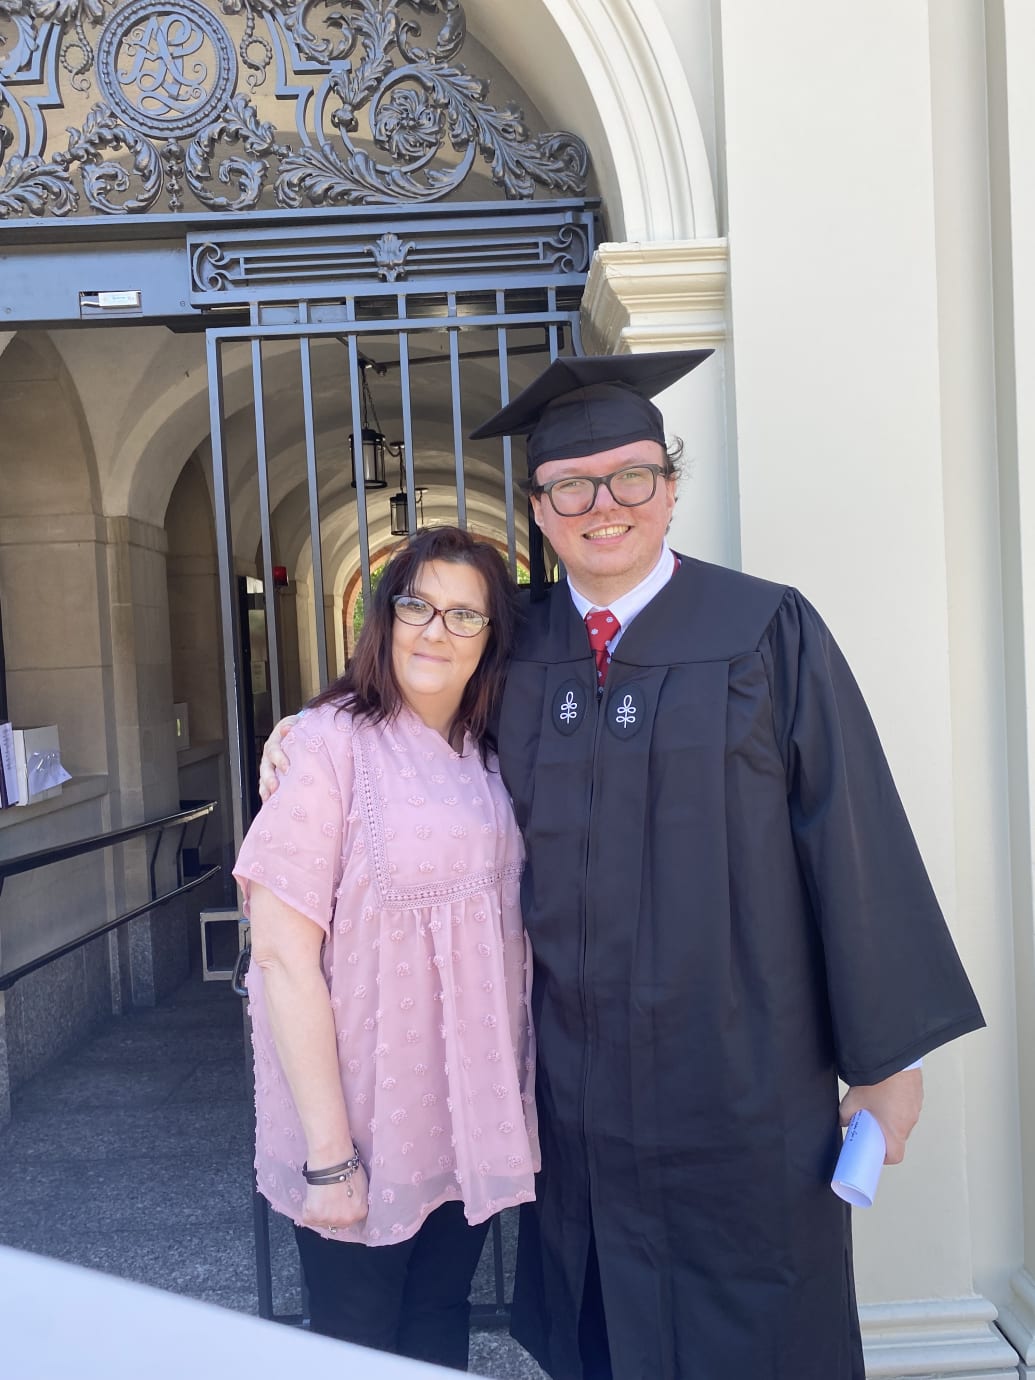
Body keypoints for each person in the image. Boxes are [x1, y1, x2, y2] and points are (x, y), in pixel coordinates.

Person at [260, 351, 985, 1380]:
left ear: (671, 487)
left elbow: (852, 832)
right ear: (542, 510)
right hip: (575, 1080)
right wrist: (303, 726)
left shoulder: (766, 630)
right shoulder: (514, 642)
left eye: (633, 477)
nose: (606, 505)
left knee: (760, 1319)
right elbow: (406, 702)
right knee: (602, 1325)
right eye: (571, 486)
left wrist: (886, 1062)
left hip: (743, 1071)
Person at [234, 525, 538, 1372]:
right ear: (383, 616)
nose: (435, 631)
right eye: (417, 605)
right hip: (366, 1118)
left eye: (464, 615)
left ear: (491, 639)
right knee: (357, 1350)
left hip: (464, 1113)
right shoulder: (328, 747)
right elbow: (283, 957)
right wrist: (330, 1161)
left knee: (439, 1325)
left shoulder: (490, 749)